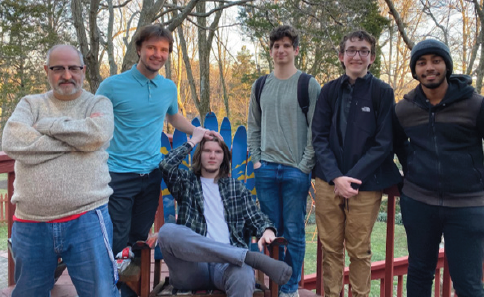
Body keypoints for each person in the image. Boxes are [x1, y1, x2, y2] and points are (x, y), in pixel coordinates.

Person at [96, 24, 218, 296]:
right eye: (151, 47)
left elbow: (173, 117)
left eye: (163, 50)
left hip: (151, 174)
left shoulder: (167, 87)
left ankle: (130, 290)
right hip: (117, 174)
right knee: (115, 239)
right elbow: (94, 122)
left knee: (139, 239)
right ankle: (109, 290)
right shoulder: (112, 86)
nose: (157, 54)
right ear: (139, 49)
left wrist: (196, 131)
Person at [2, 44, 119, 297]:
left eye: (73, 68)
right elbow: (12, 141)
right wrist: (78, 144)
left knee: (101, 293)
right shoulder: (29, 103)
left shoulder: (98, 102)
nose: (67, 75)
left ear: (83, 70)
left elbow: (98, 134)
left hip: (87, 218)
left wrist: (46, 125)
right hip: (31, 223)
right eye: (58, 69)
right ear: (47, 71)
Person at [311, 30, 401, 297]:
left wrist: (351, 177)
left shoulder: (383, 92)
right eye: (351, 50)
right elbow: (319, 137)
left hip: (367, 183)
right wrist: (336, 177)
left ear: (371, 57)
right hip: (328, 181)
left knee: (359, 250)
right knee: (330, 248)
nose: (357, 55)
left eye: (363, 51)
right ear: (341, 56)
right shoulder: (328, 91)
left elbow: (384, 143)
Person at [393, 39, 484, 297]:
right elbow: (398, 143)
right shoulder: (404, 109)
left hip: (467, 206)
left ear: (447, 65)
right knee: (419, 275)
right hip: (420, 202)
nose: (429, 68)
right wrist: (412, 169)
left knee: (468, 283)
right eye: (421, 63)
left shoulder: (475, 105)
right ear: (415, 70)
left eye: (436, 61)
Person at [157, 126, 292, 297]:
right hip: (192, 266)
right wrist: (193, 140)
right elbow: (166, 165)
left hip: (227, 265)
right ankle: (250, 258)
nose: (212, 156)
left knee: (244, 276)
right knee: (167, 232)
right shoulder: (186, 182)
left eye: (218, 152)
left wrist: (267, 230)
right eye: (207, 151)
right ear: (199, 155)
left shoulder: (236, 188)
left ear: (224, 157)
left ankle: (243, 257)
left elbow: (257, 218)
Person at [247, 25, 320, 297]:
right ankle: (272, 287)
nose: (281, 50)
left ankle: (288, 289)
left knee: (294, 233)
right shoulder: (261, 85)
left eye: (286, 45)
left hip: (295, 172)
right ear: (270, 50)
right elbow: (253, 126)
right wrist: (256, 160)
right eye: (276, 46)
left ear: (296, 50)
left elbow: (316, 129)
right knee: (270, 233)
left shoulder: (308, 84)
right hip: (265, 169)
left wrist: (304, 166)